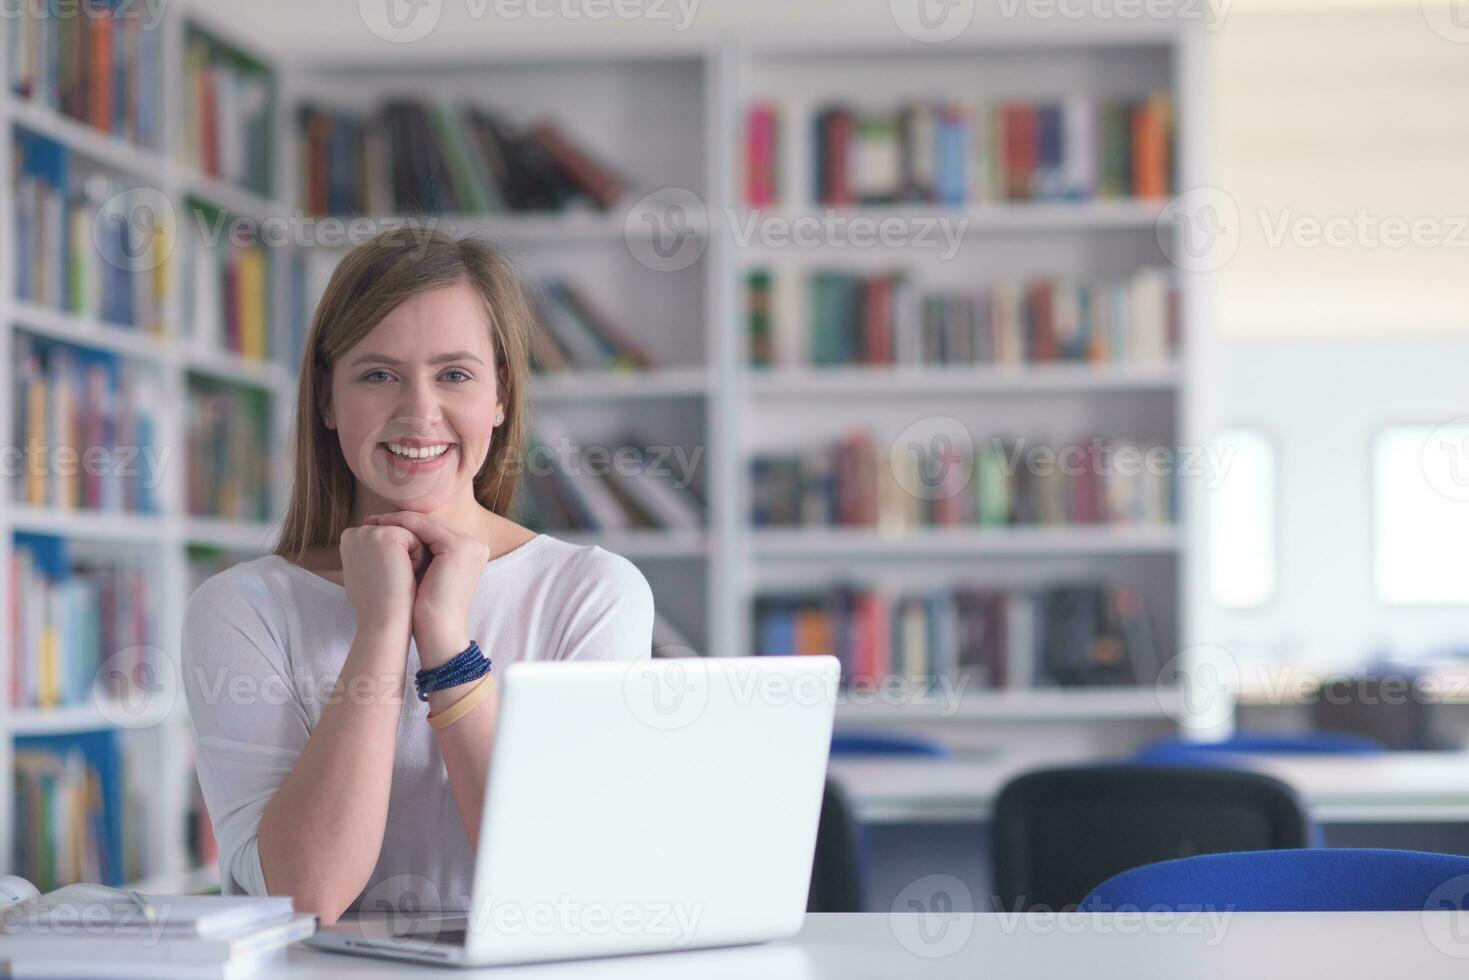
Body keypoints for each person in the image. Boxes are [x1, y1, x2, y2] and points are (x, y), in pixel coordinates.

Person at [181, 228, 655, 923]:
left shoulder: (591, 592)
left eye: (454, 374)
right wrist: (380, 630)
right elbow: (305, 895)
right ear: (325, 399)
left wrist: (444, 640)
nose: (418, 411)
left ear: (500, 397)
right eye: (377, 374)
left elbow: (555, 878)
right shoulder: (240, 609)